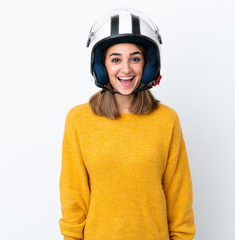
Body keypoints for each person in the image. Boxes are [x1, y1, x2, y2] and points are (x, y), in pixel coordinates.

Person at [58, 8, 196, 240]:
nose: (126, 69)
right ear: (102, 67)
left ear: (148, 65)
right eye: (115, 59)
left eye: (135, 58)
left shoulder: (166, 119)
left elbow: (179, 194)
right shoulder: (79, 120)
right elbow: (73, 195)